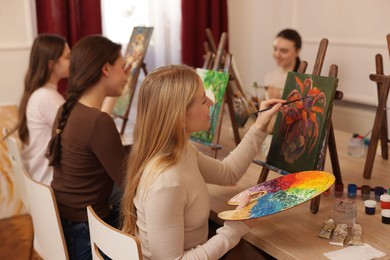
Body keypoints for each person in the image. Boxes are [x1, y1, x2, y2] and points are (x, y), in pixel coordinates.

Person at [121, 65, 284, 259]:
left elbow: (228, 173)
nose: (211, 102)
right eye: (202, 100)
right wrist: (235, 229)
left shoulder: (180, 151)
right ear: (180, 117)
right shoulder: (166, 182)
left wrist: (259, 126)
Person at [46, 35, 128, 259]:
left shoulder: (67, 109)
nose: (126, 75)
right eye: (123, 67)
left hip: (68, 224)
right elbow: (129, 181)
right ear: (106, 69)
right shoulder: (97, 121)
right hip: (87, 231)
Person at [17, 34, 70, 186]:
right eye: (67, 57)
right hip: (48, 181)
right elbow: (79, 134)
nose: (72, 61)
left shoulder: (42, 94)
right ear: (51, 64)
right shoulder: (46, 98)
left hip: (40, 178)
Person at [264, 28, 302, 99]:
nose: (277, 55)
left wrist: (279, 98)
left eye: (284, 51)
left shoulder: (302, 82)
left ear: (297, 51)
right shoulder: (269, 77)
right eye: (275, 49)